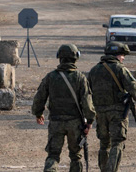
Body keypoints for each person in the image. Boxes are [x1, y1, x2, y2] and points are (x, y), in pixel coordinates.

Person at [32, 44, 96, 172]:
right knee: (76, 156)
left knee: (53, 155)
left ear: (59, 57)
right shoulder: (80, 78)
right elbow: (87, 102)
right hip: (75, 123)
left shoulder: (51, 77)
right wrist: (89, 122)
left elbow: (39, 98)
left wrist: (38, 113)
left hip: (56, 122)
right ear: (76, 58)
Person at [88, 41, 136, 172]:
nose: (123, 58)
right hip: (117, 113)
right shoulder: (120, 69)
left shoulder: (94, 70)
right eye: (122, 55)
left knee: (104, 144)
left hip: (100, 113)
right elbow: (133, 87)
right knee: (117, 143)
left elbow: (87, 92)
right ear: (116, 55)